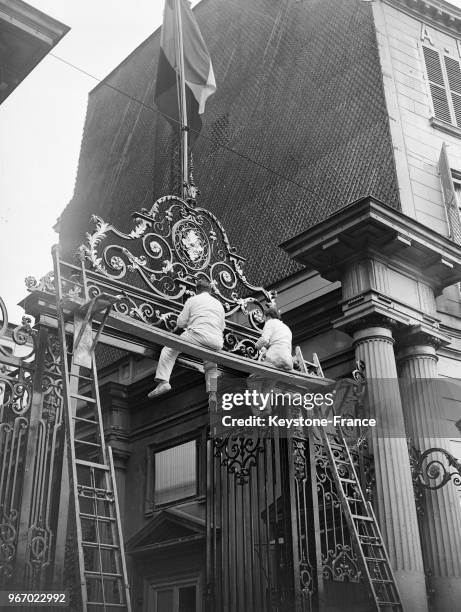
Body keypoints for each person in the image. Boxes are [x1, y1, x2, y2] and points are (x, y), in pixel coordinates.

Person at [148, 278, 225, 399]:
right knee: (211, 365)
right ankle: (213, 393)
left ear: (197, 290)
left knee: (169, 350)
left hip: (197, 335)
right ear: (210, 290)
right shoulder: (218, 304)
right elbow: (222, 326)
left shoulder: (192, 300)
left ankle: (163, 382)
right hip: (216, 341)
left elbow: (180, 322)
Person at [255, 306, 293, 371]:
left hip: (275, 357)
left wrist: (257, 346)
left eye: (265, 318)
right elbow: (278, 341)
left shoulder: (270, 322)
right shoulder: (286, 328)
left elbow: (264, 340)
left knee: (254, 379)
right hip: (288, 361)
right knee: (274, 379)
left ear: (268, 316)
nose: (265, 321)